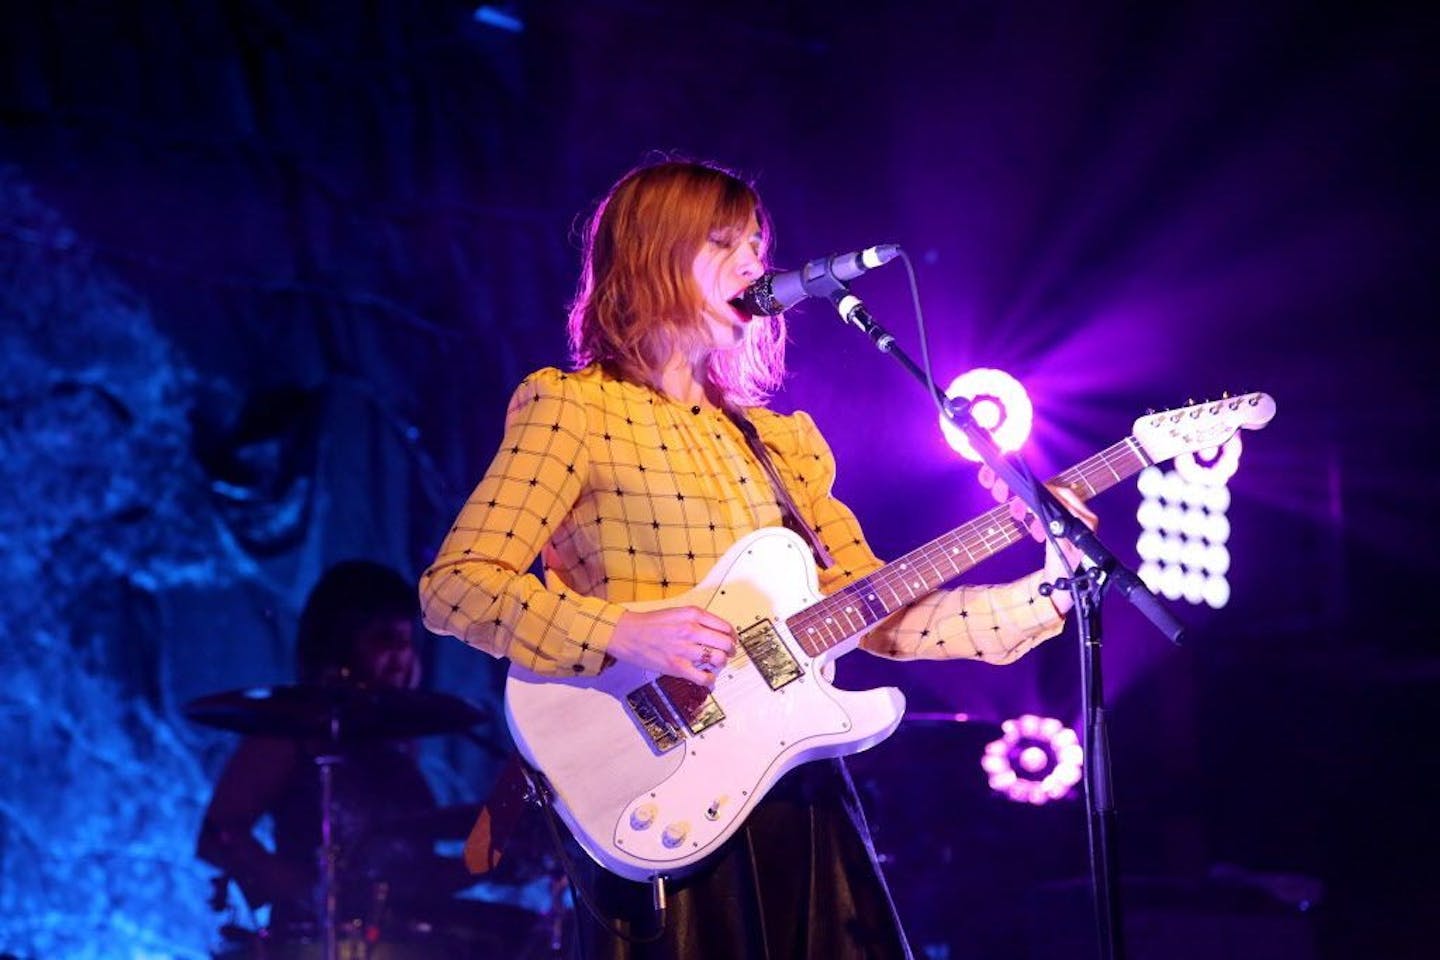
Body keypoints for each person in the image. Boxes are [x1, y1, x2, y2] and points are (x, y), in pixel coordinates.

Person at [419, 158, 1096, 959]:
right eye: (725, 243)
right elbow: (457, 588)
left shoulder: (779, 443)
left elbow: (880, 615)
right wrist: (622, 633)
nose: (755, 264)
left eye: (756, 243)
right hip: (657, 790)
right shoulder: (574, 411)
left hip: (795, 792)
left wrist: (1051, 583)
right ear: (653, 255)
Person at [196, 560, 470, 946]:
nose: (401, 657)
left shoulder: (397, 741)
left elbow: (407, 867)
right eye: (384, 640)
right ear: (340, 645)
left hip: (396, 939)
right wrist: (300, 889)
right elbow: (218, 834)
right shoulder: (290, 734)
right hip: (313, 942)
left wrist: (494, 858)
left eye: (407, 642)